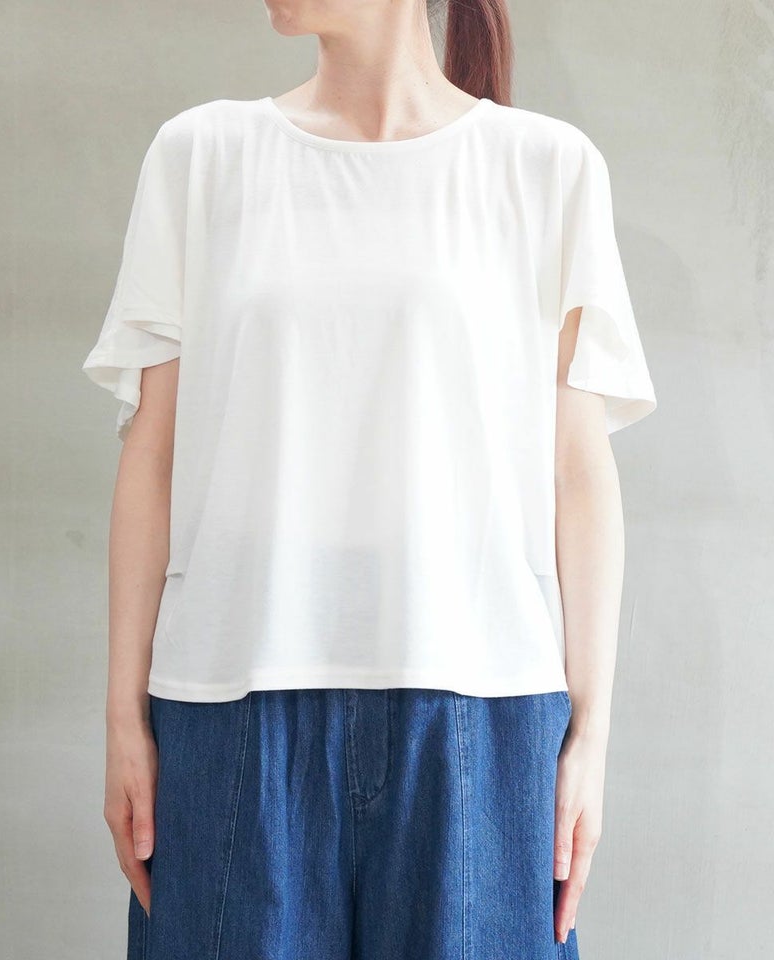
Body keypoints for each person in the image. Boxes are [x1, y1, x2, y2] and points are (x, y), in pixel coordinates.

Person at [82, 1, 657, 958]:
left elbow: (578, 472)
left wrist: (590, 737)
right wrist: (122, 719)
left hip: (479, 713)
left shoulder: (545, 168)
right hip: (232, 705)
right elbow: (151, 454)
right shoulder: (202, 157)